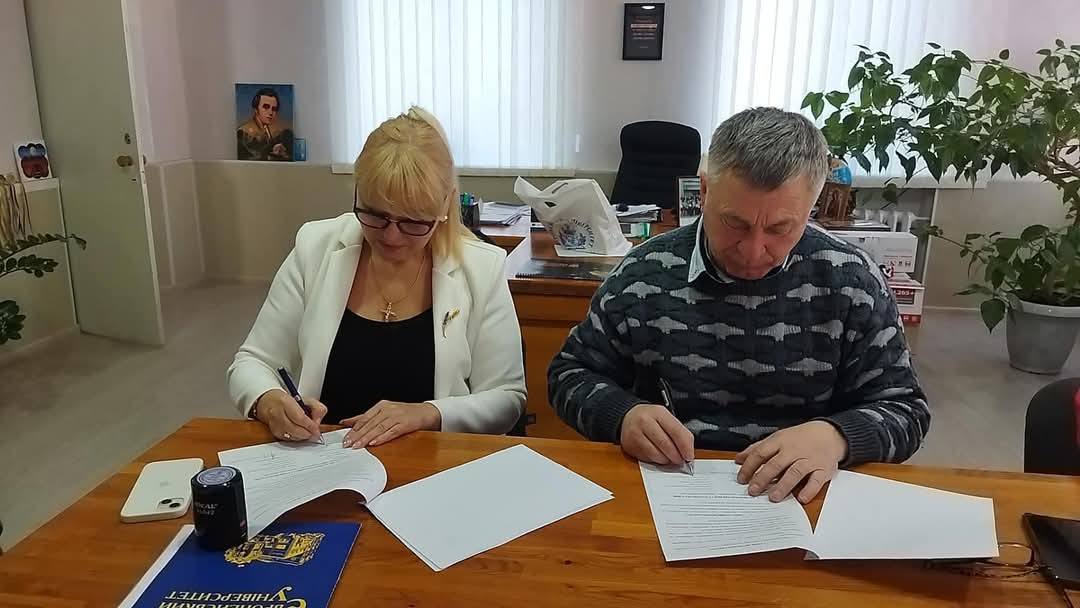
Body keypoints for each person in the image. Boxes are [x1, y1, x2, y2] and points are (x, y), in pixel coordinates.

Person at [548, 107, 929, 504]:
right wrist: (622, 415)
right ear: (704, 191)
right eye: (735, 223)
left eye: (780, 228)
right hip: (671, 493)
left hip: (804, 499)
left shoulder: (851, 281)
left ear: (811, 207)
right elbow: (569, 375)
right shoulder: (643, 274)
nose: (753, 250)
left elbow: (906, 410)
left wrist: (837, 438)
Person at [228, 107, 526, 448]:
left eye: (413, 222)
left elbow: (507, 398)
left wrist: (429, 413)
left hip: (433, 462)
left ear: (444, 206)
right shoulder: (316, 248)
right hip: (325, 458)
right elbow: (253, 362)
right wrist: (268, 400)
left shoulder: (481, 268)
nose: (391, 237)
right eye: (375, 215)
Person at [236, 87, 295, 161]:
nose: (270, 112)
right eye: (266, 107)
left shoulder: (266, 129)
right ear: (256, 109)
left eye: (274, 109)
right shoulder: (244, 133)